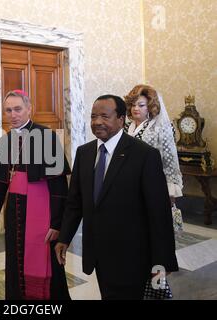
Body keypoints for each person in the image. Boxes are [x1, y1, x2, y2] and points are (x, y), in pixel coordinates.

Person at [55, 94, 178, 300]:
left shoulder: (144, 155)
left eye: (105, 116)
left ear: (121, 119)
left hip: (132, 257)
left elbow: (159, 213)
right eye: (93, 117)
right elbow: (75, 203)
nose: (97, 122)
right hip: (98, 254)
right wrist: (64, 237)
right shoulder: (84, 153)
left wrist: (162, 261)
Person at [0, 90, 71, 300]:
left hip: (43, 216)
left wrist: (58, 224)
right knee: (16, 262)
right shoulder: (5, 141)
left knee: (48, 264)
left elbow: (60, 188)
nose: (13, 115)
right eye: (8, 110)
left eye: (18, 109)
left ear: (29, 109)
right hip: (15, 212)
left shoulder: (46, 136)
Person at [124, 84, 183, 204]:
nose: (136, 108)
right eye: (133, 105)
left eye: (141, 105)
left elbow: (169, 158)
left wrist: (171, 190)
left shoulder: (160, 128)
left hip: (152, 181)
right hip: (128, 182)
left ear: (150, 107)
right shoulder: (125, 127)